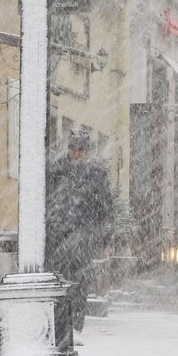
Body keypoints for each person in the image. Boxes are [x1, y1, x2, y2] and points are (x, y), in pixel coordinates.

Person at [46, 127, 114, 334]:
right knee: (58, 281)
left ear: (87, 150)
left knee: (80, 281)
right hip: (57, 236)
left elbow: (105, 207)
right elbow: (47, 202)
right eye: (74, 149)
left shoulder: (95, 175)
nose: (77, 154)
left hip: (83, 235)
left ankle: (75, 326)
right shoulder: (56, 171)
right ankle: (60, 326)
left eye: (81, 150)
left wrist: (106, 239)